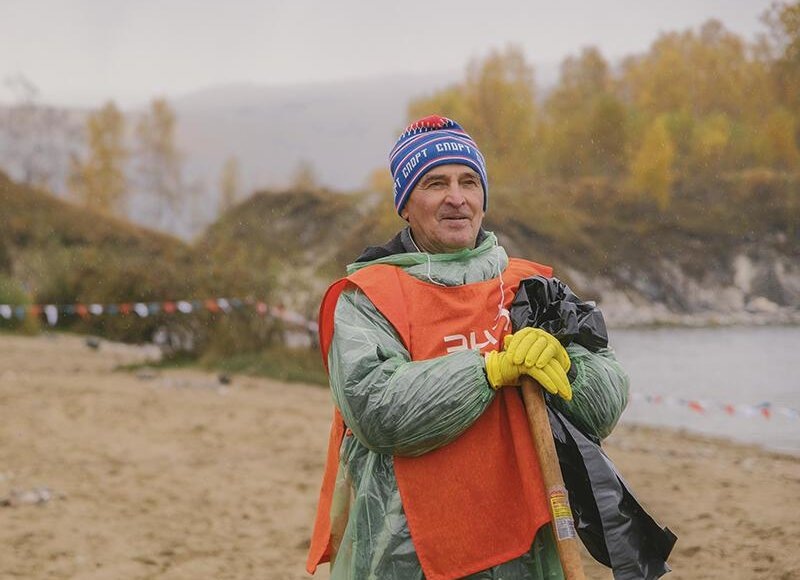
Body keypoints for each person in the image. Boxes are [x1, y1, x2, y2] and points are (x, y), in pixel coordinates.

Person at [306, 115, 629, 580]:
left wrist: (569, 369)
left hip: (526, 547)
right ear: (405, 204)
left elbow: (606, 404)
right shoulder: (367, 297)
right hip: (407, 553)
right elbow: (378, 411)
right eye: (435, 183)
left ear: (483, 197)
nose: (456, 198)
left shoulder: (532, 288)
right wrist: (487, 369)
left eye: (469, 182)